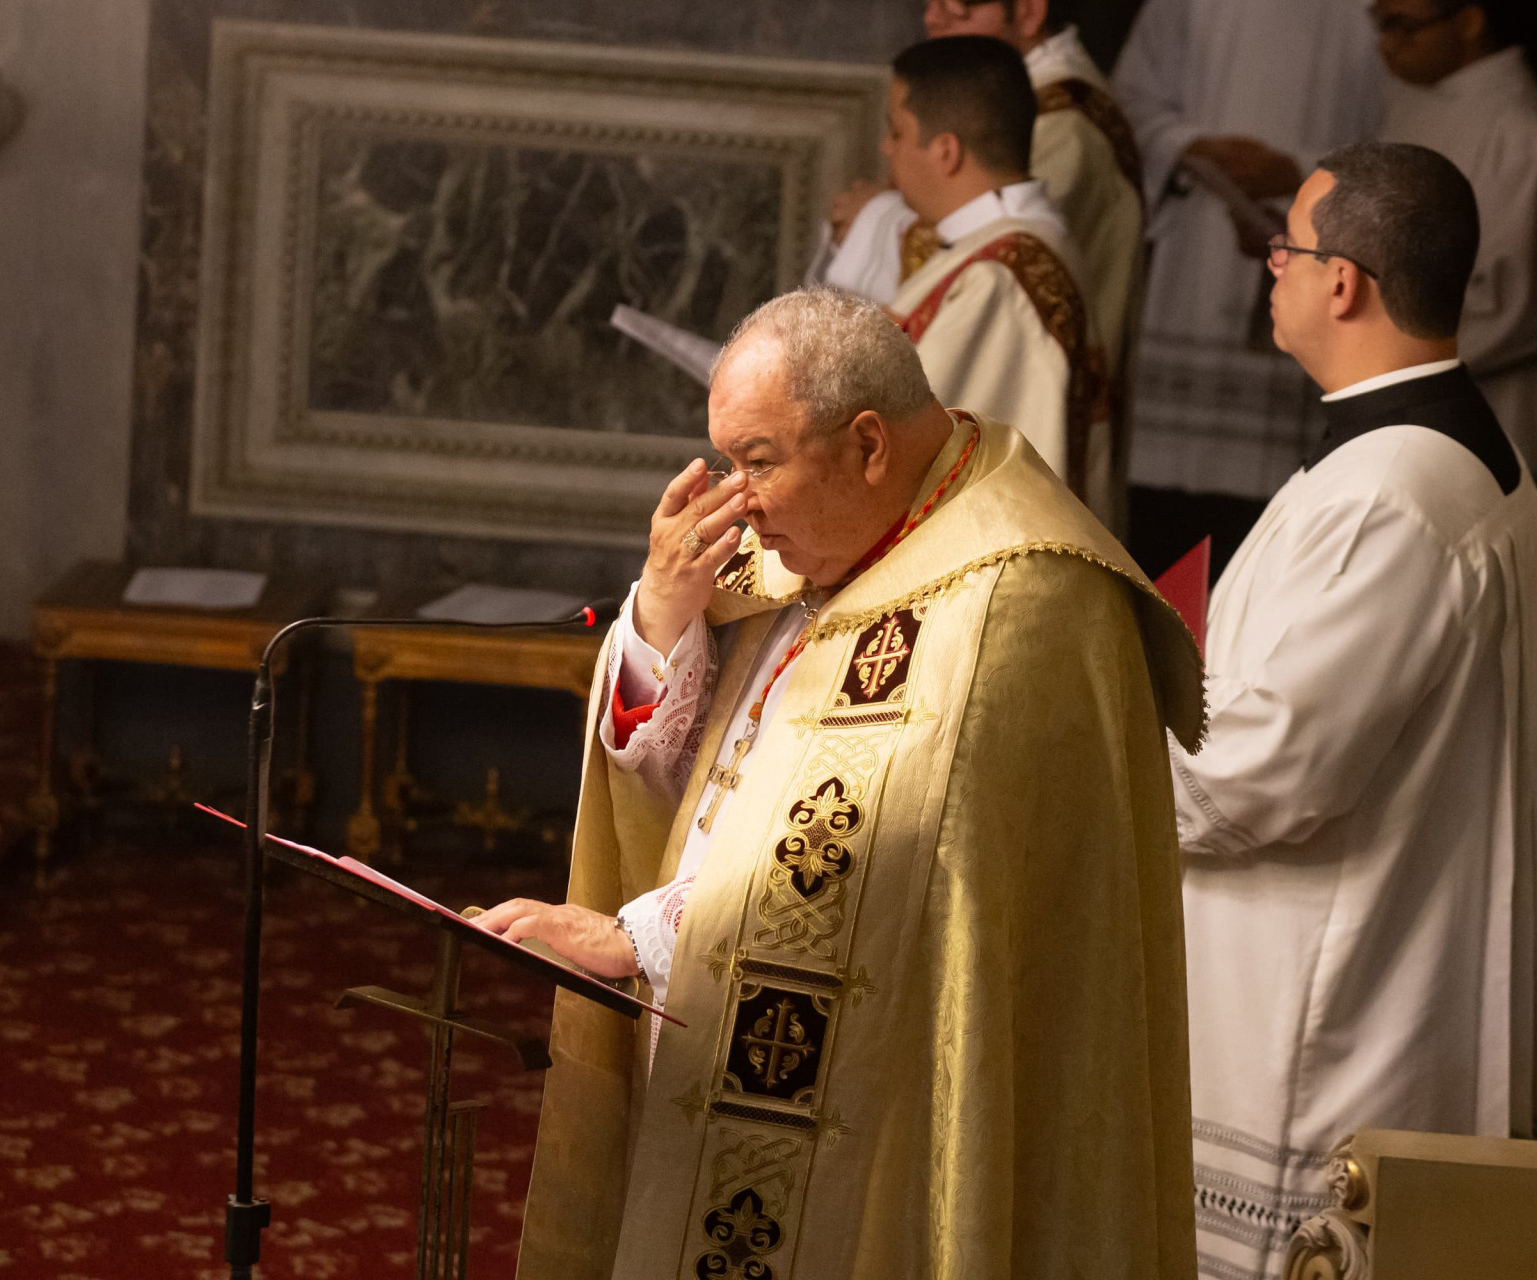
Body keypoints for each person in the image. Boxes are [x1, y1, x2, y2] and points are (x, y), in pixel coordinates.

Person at [478, 287, 1205, 1280]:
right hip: (703, 1020)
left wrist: (636, 936)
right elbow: (688, 768)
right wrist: (660, 622)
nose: (737, 501)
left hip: (881, 1091)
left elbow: (884, 862)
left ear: (867, 445)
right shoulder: (818, 539)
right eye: (726, 461)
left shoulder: (1025, 594)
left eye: (759, 461)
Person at [1171, 143, 1537, 1279]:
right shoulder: (1432, 456)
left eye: (1284, 249)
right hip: (1355, 966)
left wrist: (1082, 737)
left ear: (1344, 281)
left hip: (1321, 1012)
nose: (1270, 271)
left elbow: (1266, 772)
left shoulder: (1392, 492)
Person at [816, 37, 1117, 525]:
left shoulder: (997, 279)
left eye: (896, 132)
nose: (885, 148)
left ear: (946, 151)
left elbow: (899, 442)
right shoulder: (1010, 249)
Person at [1111, 0, 1386, 498]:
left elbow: (1403, 130)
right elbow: (1131, 100)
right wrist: (1191, 146)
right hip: (1196, 249)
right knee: (1162, 509)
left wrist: (1299, 169)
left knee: (1282, 492)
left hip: (1320, 243)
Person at [1374, 0, 1537, 475]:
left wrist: (1385, 351)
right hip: (1405, 414)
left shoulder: (1519, 127)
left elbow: (1519, 306)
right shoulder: (1412, 104)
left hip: (1487, 422)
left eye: (1403, 27)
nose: (1387, 45)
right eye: (1379, 23)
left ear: (1470, 21)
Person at [917, 0, 1145, 376]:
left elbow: (999, 254)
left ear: (1028, 13)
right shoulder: (1016, 95)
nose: (931, 20)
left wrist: (877, 218)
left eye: (956, 9)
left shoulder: (1063, 124)